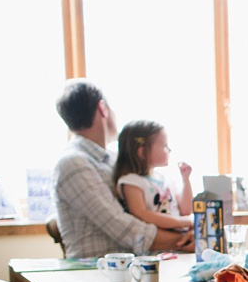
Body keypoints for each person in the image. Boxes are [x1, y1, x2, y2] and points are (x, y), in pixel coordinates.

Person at [51, 80, 191, 256]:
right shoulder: (74, 164)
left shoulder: (113, 160)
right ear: (103, 108)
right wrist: (193, 238)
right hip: (96, 272)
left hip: (132, 267)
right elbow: (125, 228)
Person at [110, 119, 194, 239]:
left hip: (182, 241)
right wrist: (183, 222)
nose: (169, 150)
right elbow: (141, 214)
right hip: (160, 246)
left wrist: (186, 180)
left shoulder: (167, 180)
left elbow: (186, 210)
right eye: (165, 146)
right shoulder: (131, 181)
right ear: (142, 152)